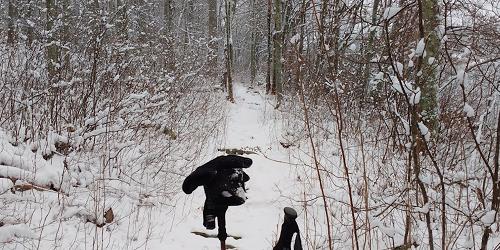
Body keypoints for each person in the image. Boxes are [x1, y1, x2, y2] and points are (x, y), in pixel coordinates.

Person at [182, 155, 252, 241]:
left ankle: (215, 222)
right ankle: (214, 220)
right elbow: (187, 187)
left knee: (219, 207)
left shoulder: (219, 178)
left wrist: (222, 230)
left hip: (218, 193)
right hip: (216, 193)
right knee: (217, 209)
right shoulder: (209, 172)